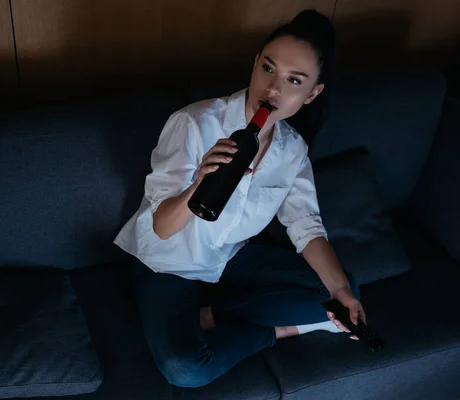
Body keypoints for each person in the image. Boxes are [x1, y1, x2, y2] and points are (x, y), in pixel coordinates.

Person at [113, 9, 367, 388]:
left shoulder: (292, 149)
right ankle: (273, 331)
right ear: (254, 64)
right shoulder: (194, 123)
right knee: (186, 369)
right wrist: (198, 184)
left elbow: (305, 226)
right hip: (168, 263)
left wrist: (341, 292)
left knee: (342, 296)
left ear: (312, 93)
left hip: (231, 257)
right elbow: (162, 228)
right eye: (268, 68)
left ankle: (212, 315)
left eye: (294, 80)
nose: (274, 89)